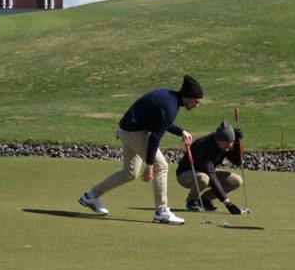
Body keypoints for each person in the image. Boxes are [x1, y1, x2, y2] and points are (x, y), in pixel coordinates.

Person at [78, 75, 204, 225]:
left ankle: (90, 196)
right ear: (188, 97)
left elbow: (161, 122)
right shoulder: (169, 106)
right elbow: (155, 138)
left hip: (126, 130)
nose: (197, 105)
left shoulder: (169, 98)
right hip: (134, 133)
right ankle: (161, 212)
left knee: (129, 173)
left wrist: (180, 131)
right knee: (161, 166)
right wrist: (150, 165)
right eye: (196, 102)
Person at [176, 120, 244, 214]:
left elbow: (237, 161)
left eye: (231, 142)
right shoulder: (204, 146)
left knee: (237, 180)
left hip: (205, 174)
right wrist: (227, 202)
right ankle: (191, 201)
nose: (229, 146)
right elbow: (210, 175)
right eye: (227, 142)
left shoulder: (225, 145)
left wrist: (237, 143)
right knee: (204, 178)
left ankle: (204, 200)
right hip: (185, 175)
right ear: (218, 140)